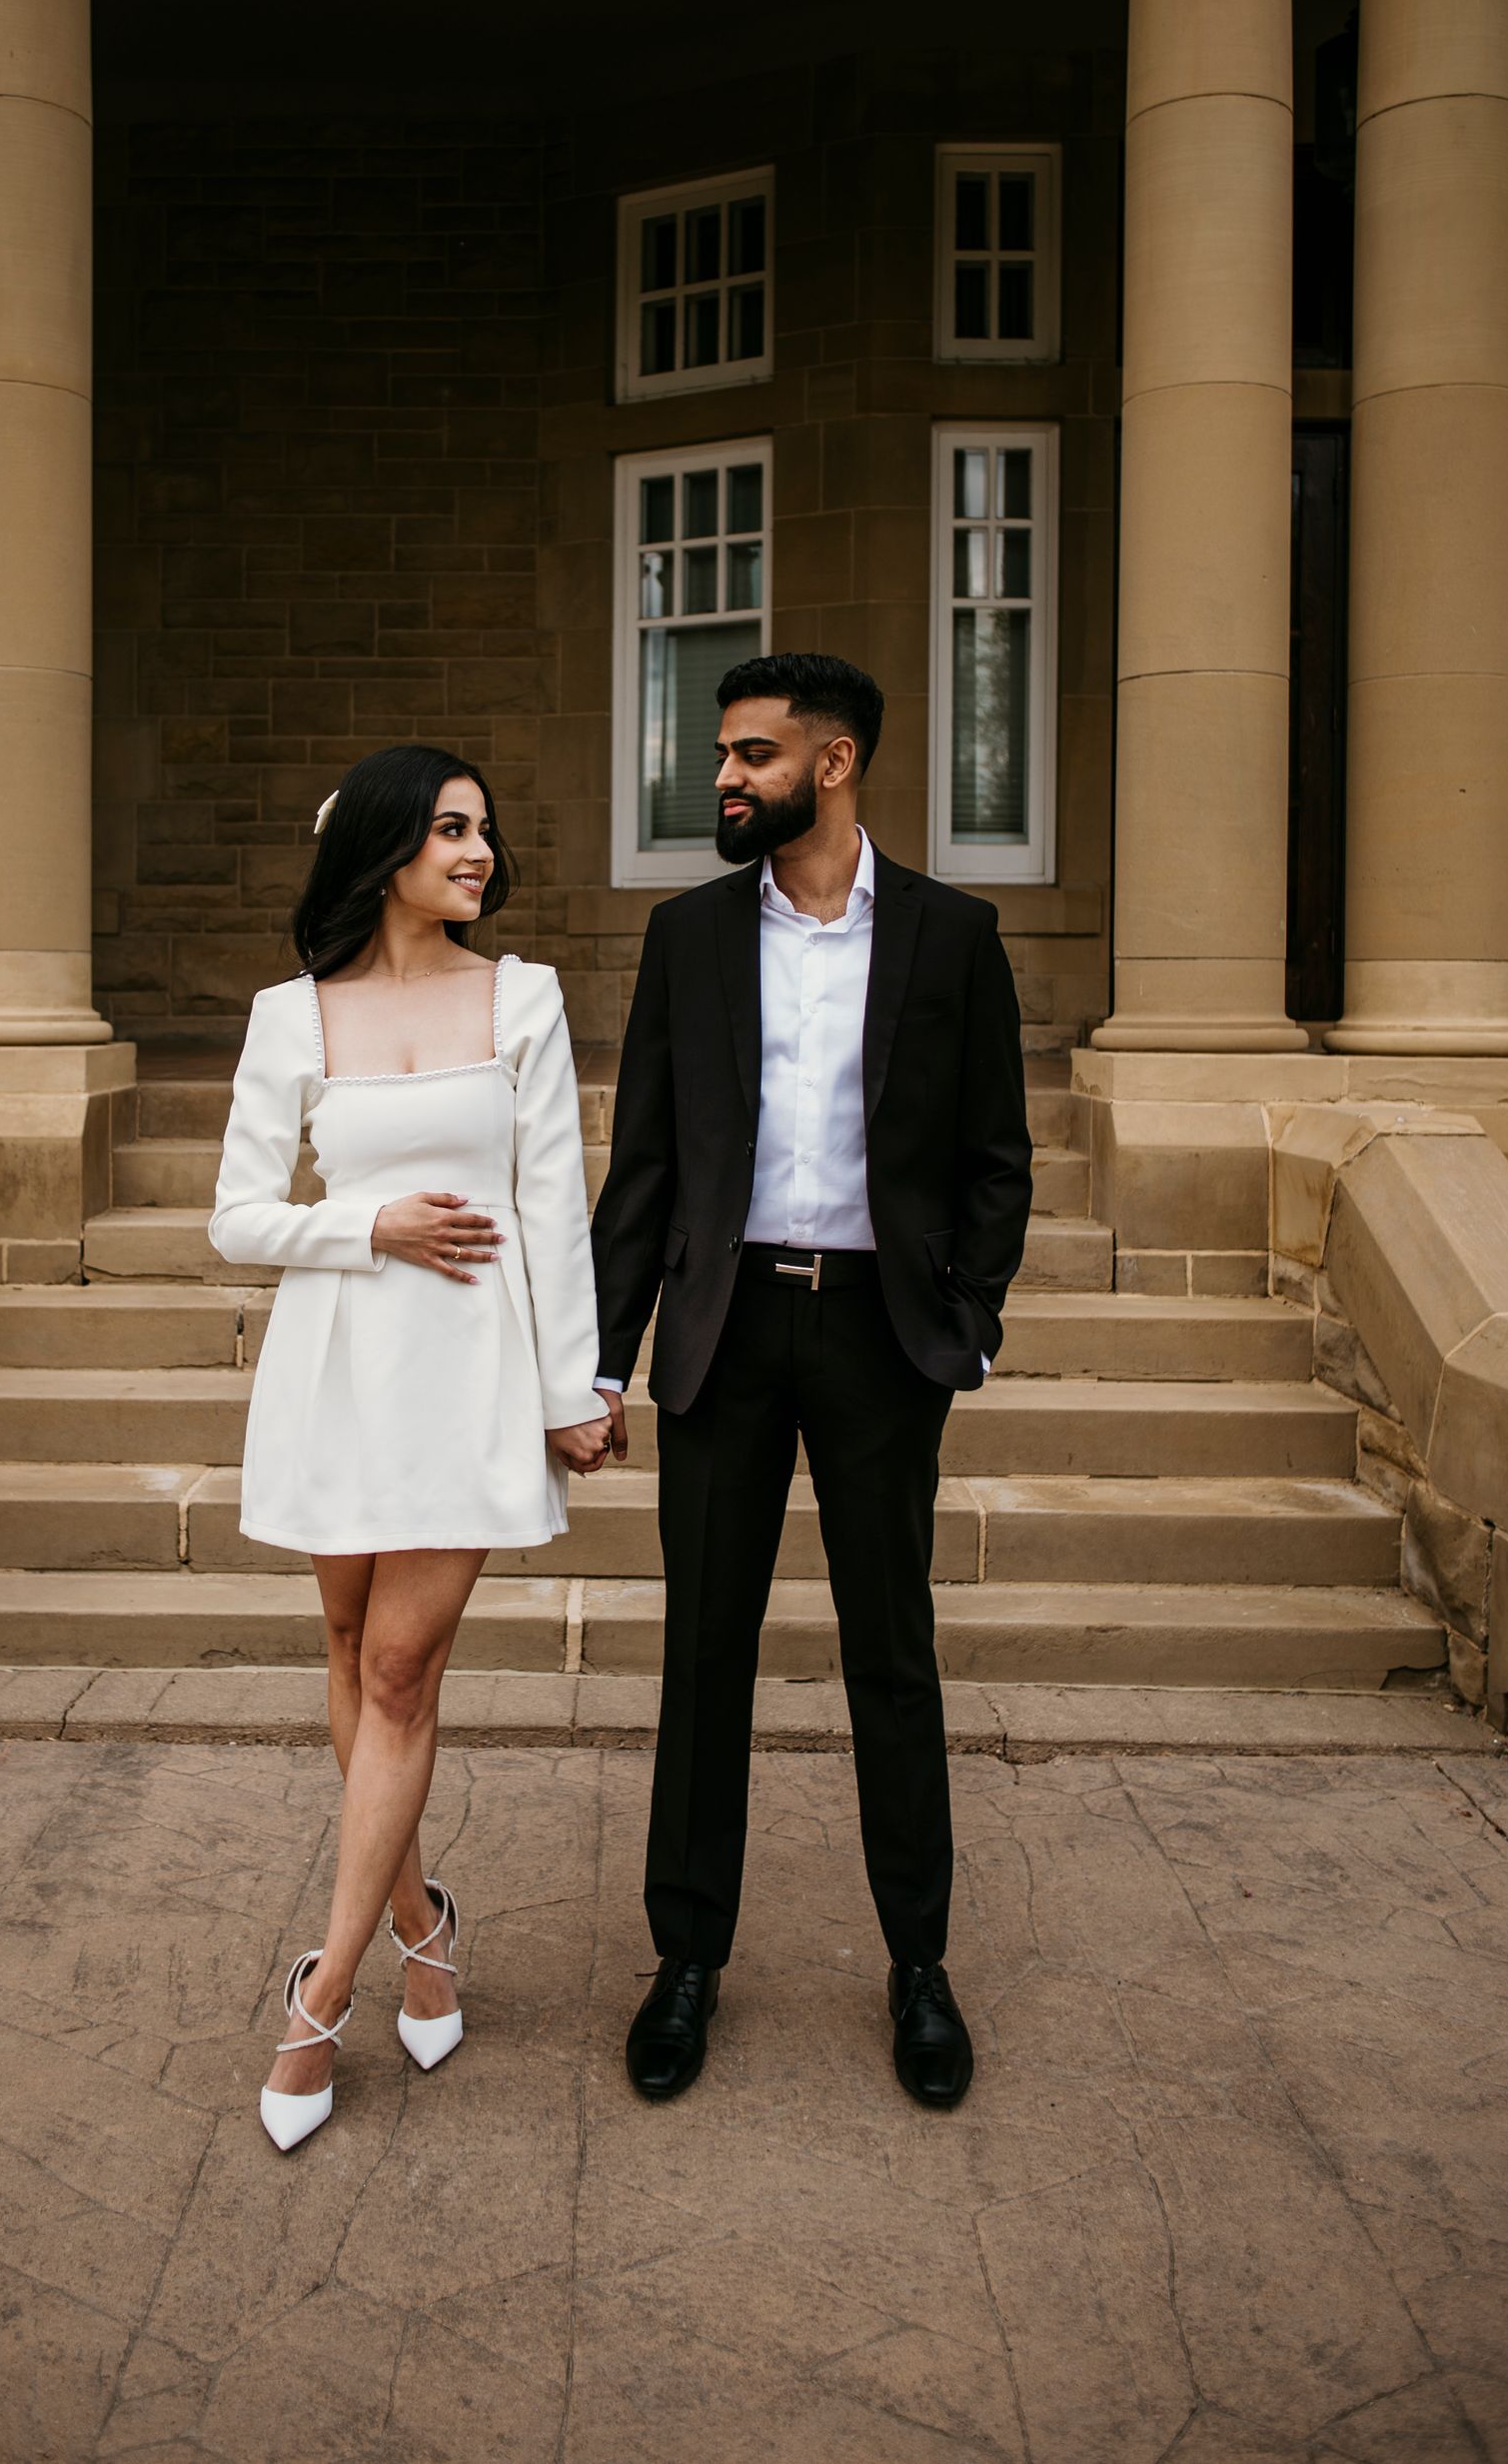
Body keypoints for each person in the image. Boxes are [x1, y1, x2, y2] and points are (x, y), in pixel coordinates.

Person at [591, 652, 1031, 2110]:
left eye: (753, 755)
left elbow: (994, 1161)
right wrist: (604, 1359)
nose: (723, 776)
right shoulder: (690, 937)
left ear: (832, 764)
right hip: (723, 1334)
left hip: (880, 1343)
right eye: (725, 754)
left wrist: (964, 1322)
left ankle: (920, 1963)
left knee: (890, 1655)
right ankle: (688, 1962)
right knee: (704, 1653)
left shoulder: (955, 939)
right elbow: (644, 1168)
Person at [210, 744, 613, 2151]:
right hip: (337, 1369)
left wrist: (579, 1383)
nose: (479, 851)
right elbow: (238, 1216)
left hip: (468, 1370)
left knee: (398, 1666)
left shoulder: (523, 997)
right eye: (450, 829)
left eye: (485, 830)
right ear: (384, 847)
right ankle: (421, 1926)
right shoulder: (289, 1017)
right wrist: (363, 1226)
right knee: (343, 1645)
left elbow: (554, 1202)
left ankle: (318, 1997)